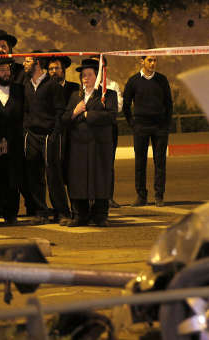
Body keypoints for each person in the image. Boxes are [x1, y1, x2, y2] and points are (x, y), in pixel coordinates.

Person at [63, 58, 117, 227]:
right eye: (83, 75)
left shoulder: (107, 94)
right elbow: (64, 119)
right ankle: (80, 215)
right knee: (78, 180)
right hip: (78, 146)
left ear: (97, 76)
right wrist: (74, 112)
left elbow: (110, 116)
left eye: (89, 75)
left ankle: (100, 215)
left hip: (99, 145)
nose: (85, 78)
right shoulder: (75, 96)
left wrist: (87, 115)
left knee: (100, 179)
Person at [22, 50, 71, 225]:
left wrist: (54, 134)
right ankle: (41, 212)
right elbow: (25, 110)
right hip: (32, 136)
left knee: (53, 175)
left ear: (37, 63)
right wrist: (26, 131)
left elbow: (60, 112)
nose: (24, 64)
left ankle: (63, 212)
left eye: (27, 61)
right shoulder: (25, 84)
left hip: (49, 135)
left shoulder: (52, 85)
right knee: (34, 176)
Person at [123, 56, 173, 207]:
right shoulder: (133, 81)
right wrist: (133, 124)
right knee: (140, 162)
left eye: (155, 60)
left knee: (160, 163)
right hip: (140, 127)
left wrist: (166, 124)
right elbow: (126, 105)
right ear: (142, 61)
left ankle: (159, 195)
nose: (153, 63)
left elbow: (169, 103)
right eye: (150, 60)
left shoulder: (162, 80)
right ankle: (141, 195)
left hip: (160, 128)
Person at [0, 57, 25, 225]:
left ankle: (11, 214)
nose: (5, 73)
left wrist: (10, 139)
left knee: (13, 179)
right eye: (1, 70)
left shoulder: (19, 90)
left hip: (15, 143)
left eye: (8, 70)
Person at [90, 55, 123, 209]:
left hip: (109, 129)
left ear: (104, 68)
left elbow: (118, 108)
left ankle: (108, 197)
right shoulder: (84, 85)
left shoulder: (113, 85)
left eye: (97, 65)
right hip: (89, 129)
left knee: (108, 163)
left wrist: (96, 111)